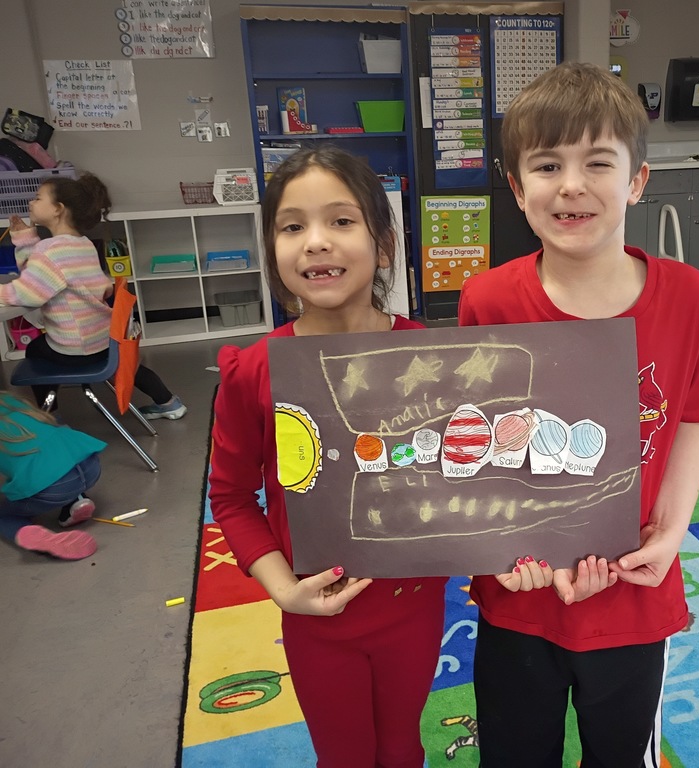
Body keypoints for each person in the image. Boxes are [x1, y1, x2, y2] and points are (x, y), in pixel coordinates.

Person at [457, 62, 699, 767]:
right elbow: (481, 444)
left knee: (620, 756)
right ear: (518, 189)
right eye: (547, 165)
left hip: (634, 593)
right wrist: (499, 549)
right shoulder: (486, 301)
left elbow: (694, 424)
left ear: (637, 181)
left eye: (597, 162)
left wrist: (670, 535)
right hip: (520, 598)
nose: (572, 185)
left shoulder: (692, 298)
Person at [208, 145, 447, 768]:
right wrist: (284, 590)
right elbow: (230, 496)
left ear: (383, 241)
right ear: (273, 249)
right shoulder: (254, 370)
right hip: (318, 616)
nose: (316, 242)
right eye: (293, 226)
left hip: (413, 608)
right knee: (342, 757)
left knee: (402, 749)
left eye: (341, 221)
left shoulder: (434, 358)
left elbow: (457, 471)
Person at [1, 172, 186, 420]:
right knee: (125, 364)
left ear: (58, 209)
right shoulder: (82, 244)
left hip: (76, 347)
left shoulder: (51, 250)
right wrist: (26, 239)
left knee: (35, 350)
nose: (31, 203)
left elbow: (28, 293)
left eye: (37, 197)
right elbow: (38, 274)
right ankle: (169, 402)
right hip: (104, 339)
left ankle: (48, 414)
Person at [0, 389, 104, 560]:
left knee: (5, 515)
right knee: (56, 462)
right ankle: (76, 501)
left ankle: (29, 532)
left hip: (54, 488)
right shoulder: (8, 399)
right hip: (90, 465)